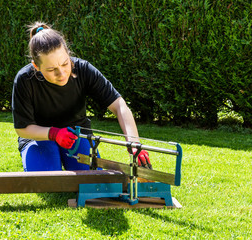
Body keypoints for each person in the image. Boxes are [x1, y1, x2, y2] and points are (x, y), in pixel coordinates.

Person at [12, 22, 152, 172]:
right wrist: (54, 133)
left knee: (89, 178)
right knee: (47, 179)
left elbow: (119, 105)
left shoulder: (84, 69)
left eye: (65, 63)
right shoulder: (24, 80)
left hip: (76, 136)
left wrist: (133, 143)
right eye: (52, 69)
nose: (62, 73)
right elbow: (23, 129)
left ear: (68, 53)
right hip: (38, 138)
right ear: (36, 66)